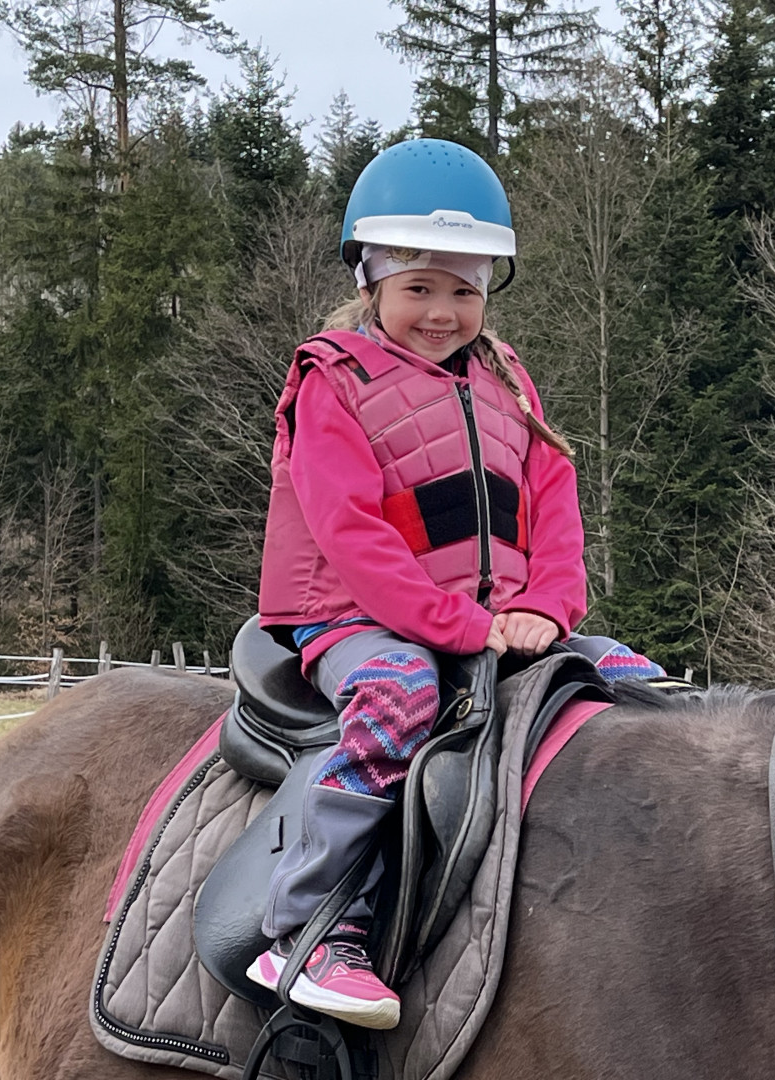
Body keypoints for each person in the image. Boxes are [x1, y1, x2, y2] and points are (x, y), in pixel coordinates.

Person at [246, 138, 665, 1030]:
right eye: (420, 288)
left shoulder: (507, 378)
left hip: (491, 617)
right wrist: (461, 628)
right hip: (356, 615)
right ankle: (310, 928)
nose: (442, 312)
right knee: (398, 694)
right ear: (371, 281)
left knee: (626, 677)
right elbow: (351, 536)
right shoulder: (332, 382)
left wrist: (547, 607)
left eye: (464, 291)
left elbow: (554, 501)